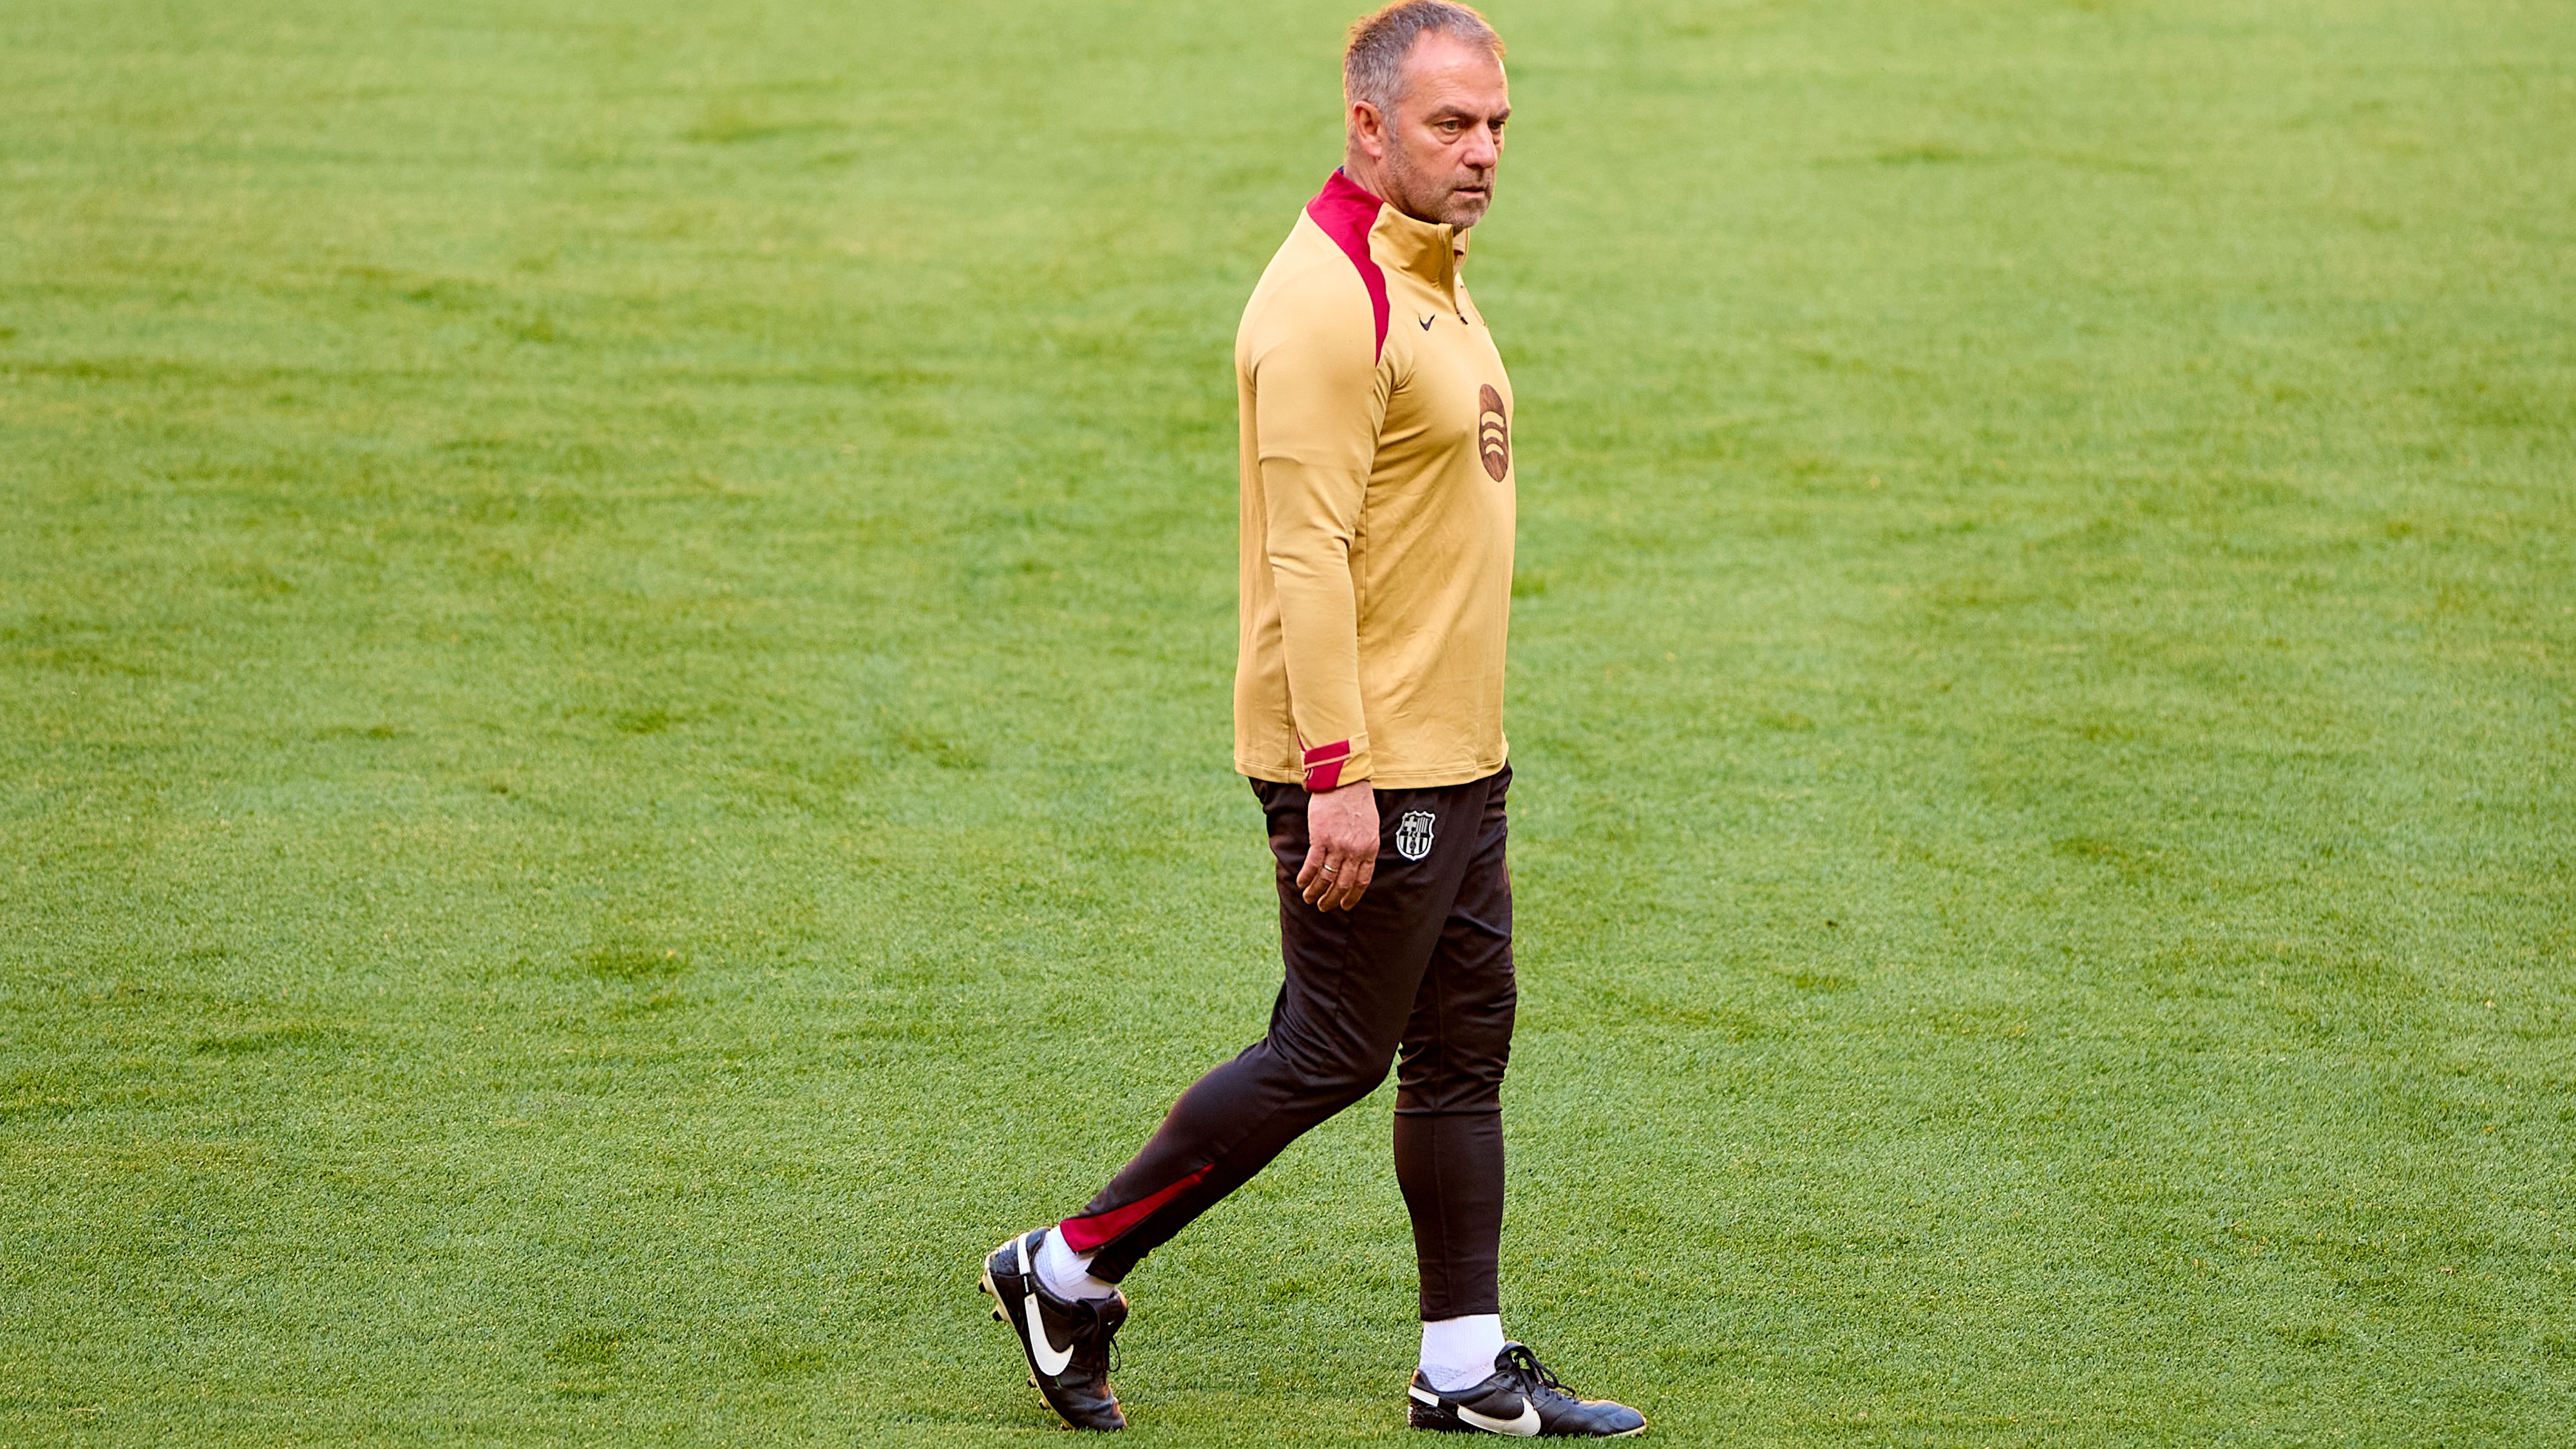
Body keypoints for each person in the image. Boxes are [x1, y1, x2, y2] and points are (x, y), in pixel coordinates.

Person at [979, 3, 1644, 1435]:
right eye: (1448, 126)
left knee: (1465, 1044)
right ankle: (1065, 1265)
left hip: (1458, 751)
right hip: (1367, 763)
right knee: (1330, 1052)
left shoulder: (1428, 272)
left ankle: (1461, 1367)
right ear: (1366, 125)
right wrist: (1332, 776)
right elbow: (1304, 553)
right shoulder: (1322, 301)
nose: (1481, 154)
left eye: (1496, 125)